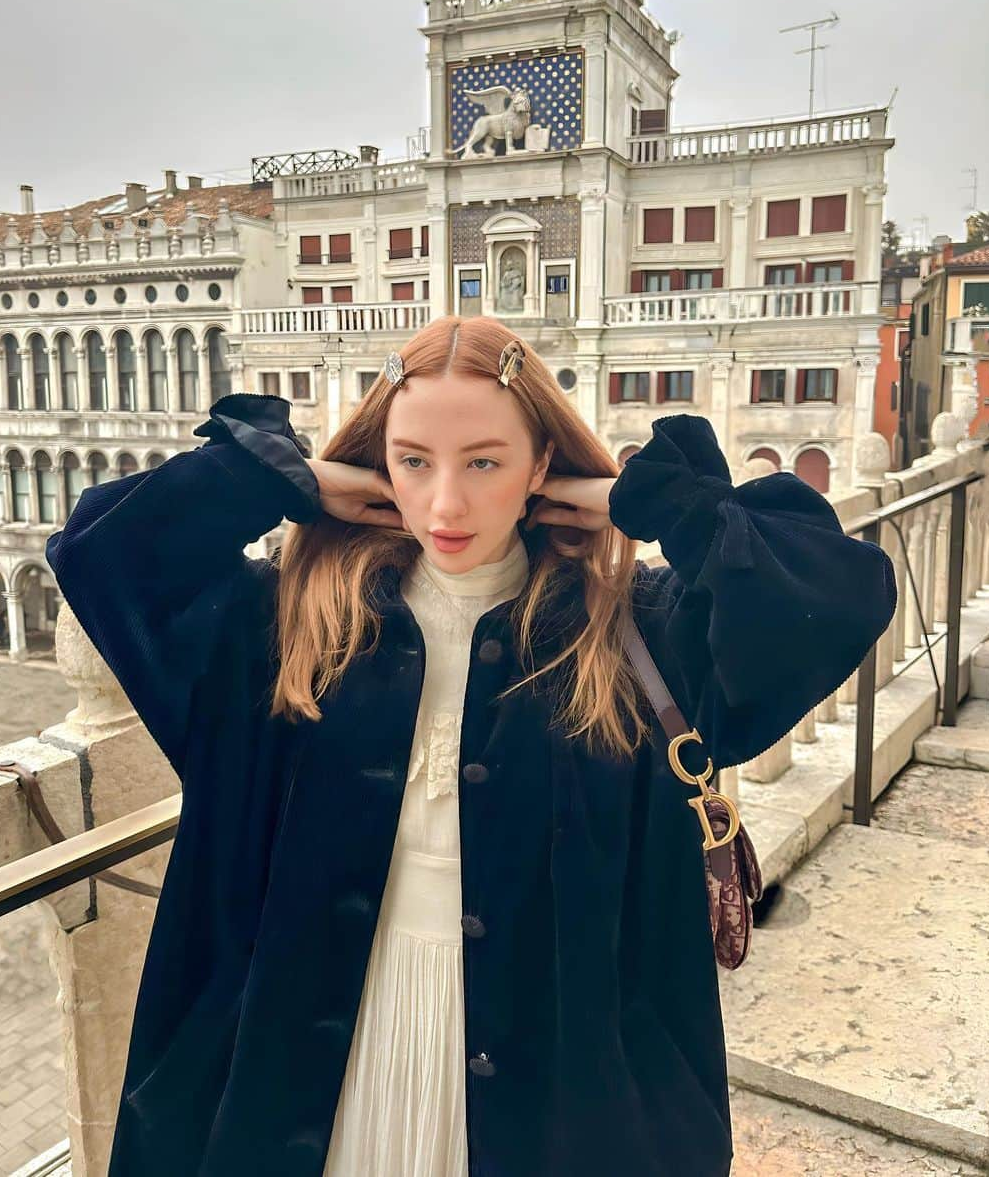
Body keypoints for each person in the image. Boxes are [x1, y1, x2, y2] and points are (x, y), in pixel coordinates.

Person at [44, 314, 896, 1176]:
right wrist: (275, 480)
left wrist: (655, 501)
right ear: (377, 463)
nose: (445, 504)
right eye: (414, 461)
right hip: (312, 1059)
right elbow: (102, 553)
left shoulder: (632, 633)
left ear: (541, 464)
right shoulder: (290, 629)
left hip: (557, 1086)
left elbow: (836, 595)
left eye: (484, 461)